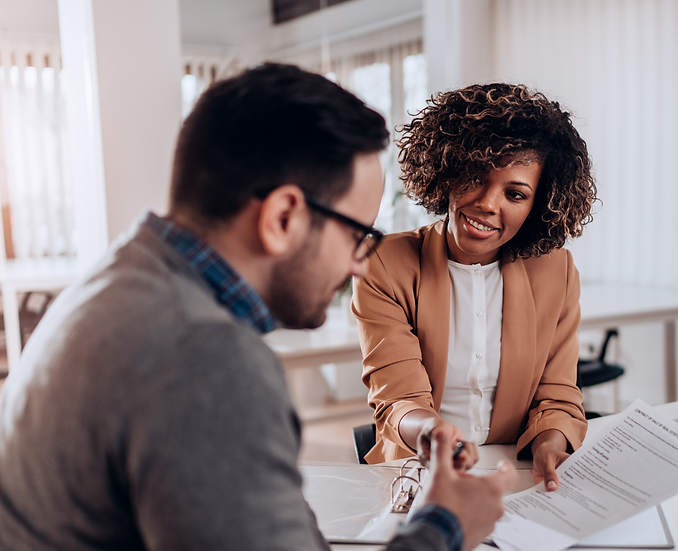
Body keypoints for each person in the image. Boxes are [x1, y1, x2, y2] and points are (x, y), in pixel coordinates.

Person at [0, 63, 516, 551]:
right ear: (283, 217)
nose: (360, 265)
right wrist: (444, 525)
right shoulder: (204, 358)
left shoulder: (120, 277)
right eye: (359, 235)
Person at [353, 83, 597, 490]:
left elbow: (557, 395)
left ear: (537, 206)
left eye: (515, 193)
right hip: (420, 471)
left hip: (518, 476)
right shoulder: (383, 263)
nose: (488, 203)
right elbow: (398, 399)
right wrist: (435, 436)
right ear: (447, 171)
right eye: (475, 177)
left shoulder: (556, 271)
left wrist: (551, 442)